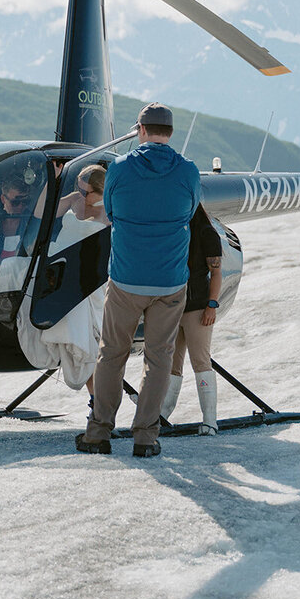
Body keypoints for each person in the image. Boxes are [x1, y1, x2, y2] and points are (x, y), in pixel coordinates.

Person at [76, 102, 200, 458]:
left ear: (141, 130)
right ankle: (146, 437)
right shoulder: (188, 171)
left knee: (112, 354)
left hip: (128, 279)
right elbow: (189, 212)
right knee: (159, 358)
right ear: (170, 134)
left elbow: (111, 212)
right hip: (170, 282)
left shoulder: (119, 168)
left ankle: (98, 433)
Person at [158, 204, 223, 435]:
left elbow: (216, 272)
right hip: (174, 308)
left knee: (200, 362)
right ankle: (163, 415)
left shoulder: (206, 232)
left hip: (198, 308)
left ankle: (210, 420)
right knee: (172, 364)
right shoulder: (174, 232)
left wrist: (211, 305)